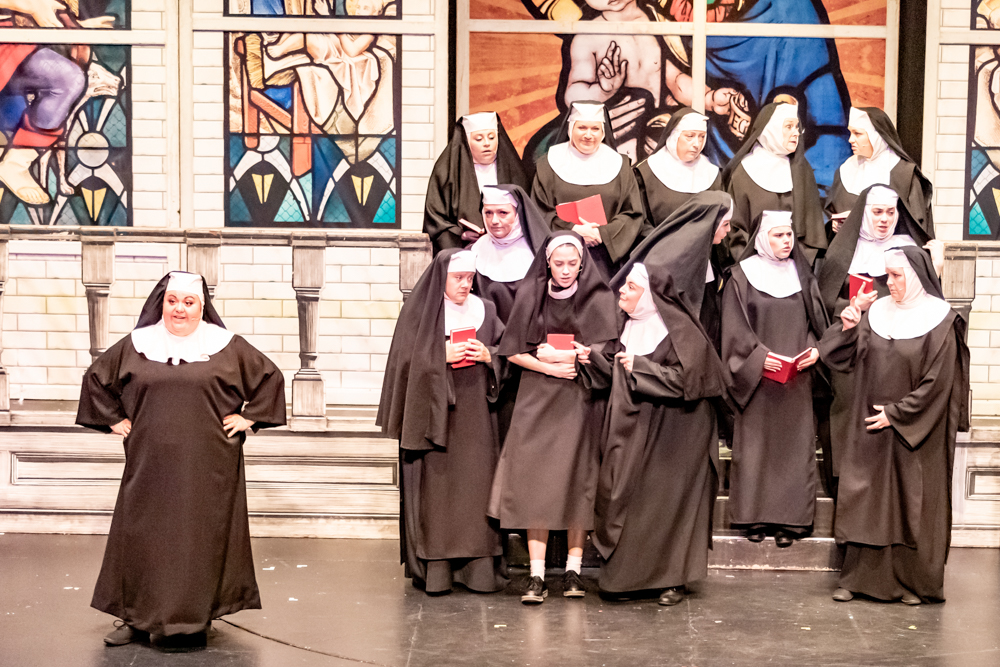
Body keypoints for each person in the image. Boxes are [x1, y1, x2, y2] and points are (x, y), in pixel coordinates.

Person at [76, 272, 286, 647]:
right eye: (172, 301)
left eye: (189, 302)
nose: (179, 309)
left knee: (199, 538)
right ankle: (137, 618)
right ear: (161, 304)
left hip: (210, 463)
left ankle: (195, 619)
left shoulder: (227, 346)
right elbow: (96, 379)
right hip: (149, 461)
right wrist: (113, 420)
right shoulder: (137, 344)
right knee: (143, 535)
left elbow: (270, 378)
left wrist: (249, 419)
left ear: (202, 307)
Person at [594, 194, 729, 606]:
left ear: (653, 295)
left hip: (679, 435)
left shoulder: (682, 332)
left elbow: (694, 382)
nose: (622, 292)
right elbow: (614, 366)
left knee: (671, 506)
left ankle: (673, 580)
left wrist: (641, 368)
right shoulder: (626, 324)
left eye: (632, 287)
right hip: (636, 429)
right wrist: (591, 358)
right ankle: (625, 578)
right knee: (630, 500)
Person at [819, 247, 969, 604]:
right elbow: (842, 358)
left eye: (897, 276)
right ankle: (857, 579)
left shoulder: (941, 321)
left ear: (916, 276)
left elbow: (939, 384)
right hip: (870, 426)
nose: (890, 282)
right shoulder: (876, 314)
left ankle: (911, 583)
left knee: (910, 504)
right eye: (887, 275)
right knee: (866, 499)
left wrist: (897, 414)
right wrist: (849, 326)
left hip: (916, 432)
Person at [488, 231, 618, 604]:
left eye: (572, 263)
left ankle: (573, 570)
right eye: (558, 263)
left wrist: (575, 357)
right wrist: (546, 365)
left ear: (582, 263)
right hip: (537, 396)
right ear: (547, 262)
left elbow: (605, 350)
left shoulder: (597, 297)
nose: (565, 270)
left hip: (578, 397)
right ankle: (537, 574)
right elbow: (512, 350)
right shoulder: (531, 294)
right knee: (536, 484)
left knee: (578, 481)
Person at [378, 250, 508, 595]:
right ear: (441, 278)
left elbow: (506, 353)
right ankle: (437, 570)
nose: (466, 285)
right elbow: (402, 365)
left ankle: (479, 570)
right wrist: (440, 356)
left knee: (477, 489)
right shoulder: (421, 313)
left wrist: (489, 356)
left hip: (477, 417)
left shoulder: (487, 310)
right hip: (434, 421)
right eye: (458, 278)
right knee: (437, 493)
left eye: (470, 278)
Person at [816, 185, 935, 496]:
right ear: (864, 214)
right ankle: (842, 486)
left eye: (891, 212)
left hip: (895, 349)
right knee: (847, 413)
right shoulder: (844, 250)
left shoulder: (909, 250)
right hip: (852, 348)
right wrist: (852, 308)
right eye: (878, 212)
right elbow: (824, 302)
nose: (885, 219)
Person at [721, 211, 829, 546]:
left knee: (792, 450)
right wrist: (759, 358)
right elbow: (733, 329)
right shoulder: (741, 276)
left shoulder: (803, 275)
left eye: (789, 235)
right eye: (778, 235)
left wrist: (813, 350)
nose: (786, 241)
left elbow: (815, 322)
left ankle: (790, 522)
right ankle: (753, 518)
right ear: (762, 238)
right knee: (756, 449)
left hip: (796, 379)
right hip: (757, 380)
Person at [470, 184, 550, 443]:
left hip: (528, 352)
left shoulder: (538, 252)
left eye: (503, 213)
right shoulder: (475, 251)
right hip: (489, 354)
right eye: (488, 212)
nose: (494, 220)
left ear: (518, 213)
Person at [531, 101, 644, 281]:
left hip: (606, 262)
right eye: (582, 127)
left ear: (603, 131)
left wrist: (602, 234)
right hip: (560, 258)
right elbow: (538, 211)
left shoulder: (620, 165)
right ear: (571, 128)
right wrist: (572, 230)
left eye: (595, 129)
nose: (588, 135)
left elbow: (633, 213)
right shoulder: (548, 164)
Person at [722, 101, 827, 264]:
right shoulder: (743, 172)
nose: (796, 133)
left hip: (795, 267)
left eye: (797, 127)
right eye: (789, 126)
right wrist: (753, 266)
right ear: (771, 128)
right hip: (752, 266)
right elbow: (736, 229)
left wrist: (796, 266)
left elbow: (812, 230)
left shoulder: (802, 170)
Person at [424, 112, 528, 254]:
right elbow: (435, 219)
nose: (486, 143)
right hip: (464, 251)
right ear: (466, 141)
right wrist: (460, 234)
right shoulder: (446, 172)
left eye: (491, 137)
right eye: (479, 139)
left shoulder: (514, 170)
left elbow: (528, 214)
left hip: (509, 251)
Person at [825, 108, 933, 236]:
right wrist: (835, 224)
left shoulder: (904, 174)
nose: (851, 139)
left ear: (876, 136)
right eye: (850, 133)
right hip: (849, 247)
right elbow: (831, 212)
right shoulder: (845, 170)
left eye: (857, 133)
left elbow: (916, 226)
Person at [634, 108, 723, 239]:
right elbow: (639, 221)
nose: (697, 144)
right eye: (690, 136)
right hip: (657, 247)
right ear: (674, 136)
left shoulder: (711, 174)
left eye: (702, 136)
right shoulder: (646, 173)